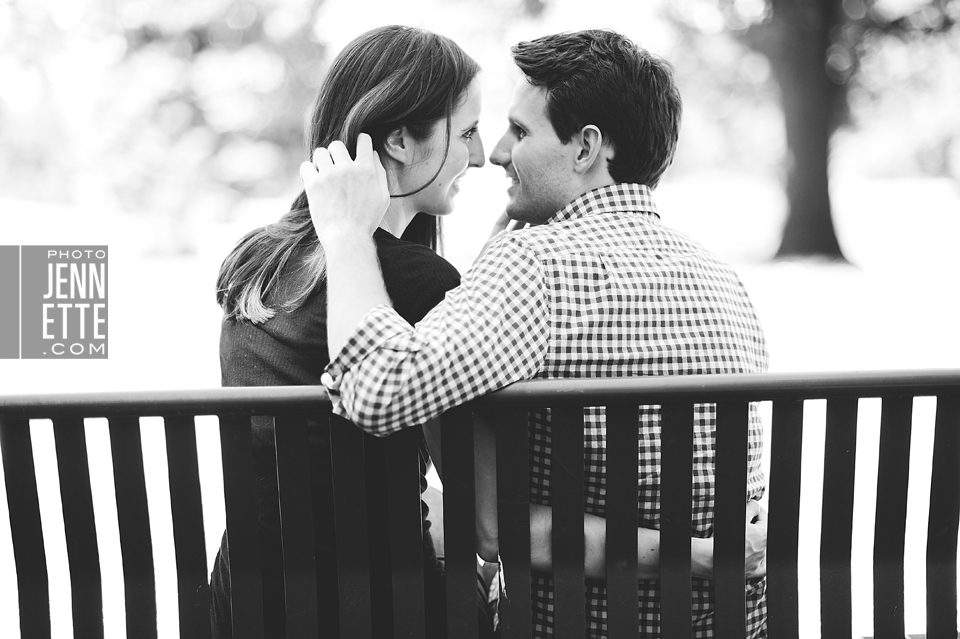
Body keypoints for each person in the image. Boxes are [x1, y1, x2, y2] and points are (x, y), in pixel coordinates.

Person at [302, 28, 769, 638]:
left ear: (586, 149)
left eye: (520, 132)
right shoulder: (724, 279)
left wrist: (345, 235)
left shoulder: (535, 268)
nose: (496, 152)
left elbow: (376, 390)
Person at [211, 25, 489, 638]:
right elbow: (476, 499)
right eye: (467, 131)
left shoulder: (258, 258)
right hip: (377, 608)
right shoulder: (417, 280)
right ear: (399, 139)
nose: (482, 153)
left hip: (246, 603)